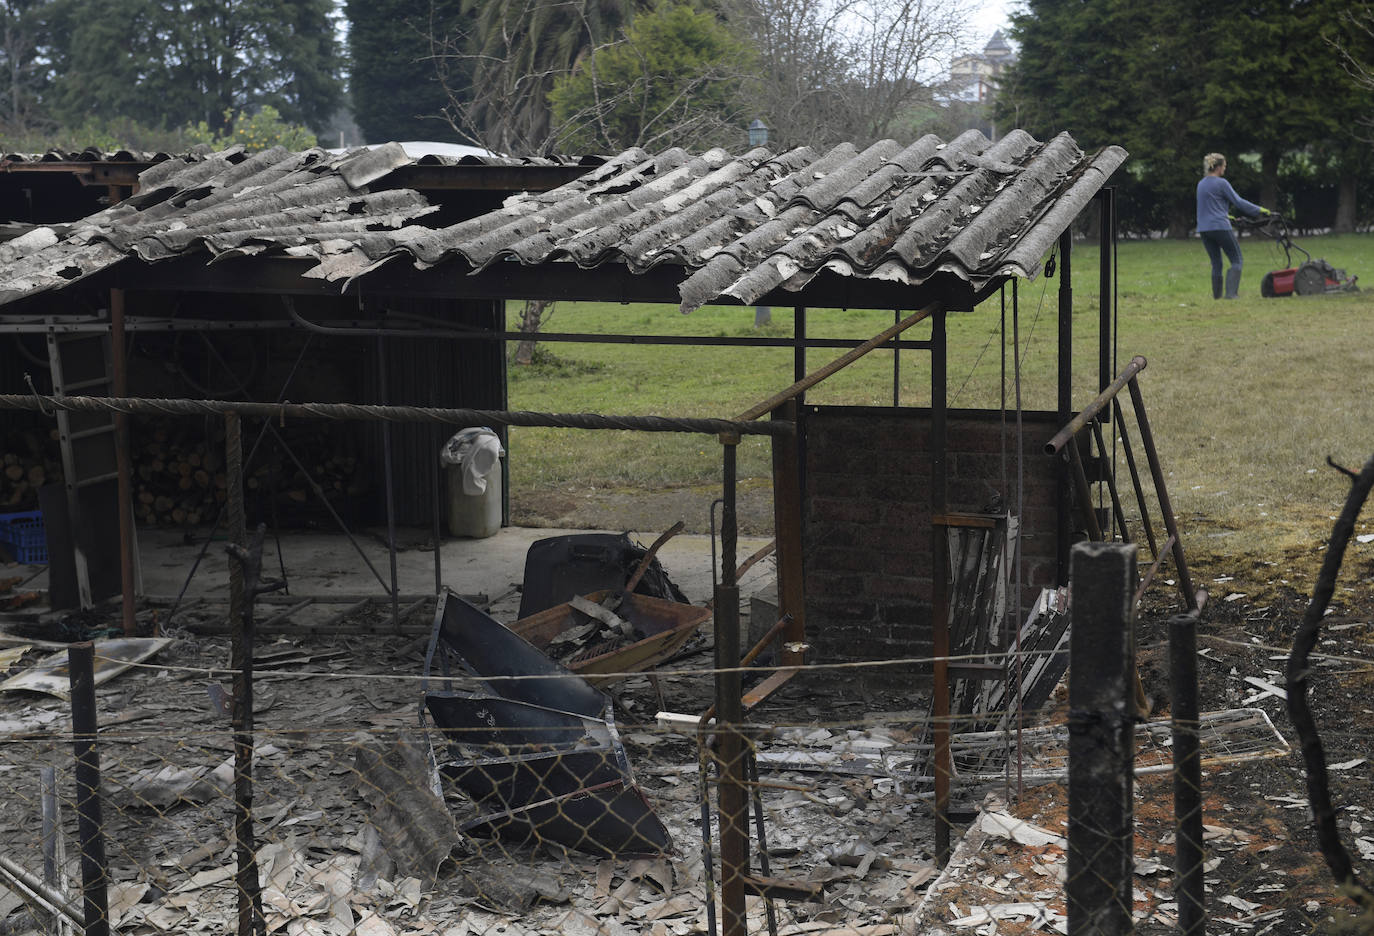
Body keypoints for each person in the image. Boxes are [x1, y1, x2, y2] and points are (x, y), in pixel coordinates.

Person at [1196, 153, 1269, 299]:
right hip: (1221, 227)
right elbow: (1239, 202)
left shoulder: (1201, 183)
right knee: (1237, 260)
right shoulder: (1222, 183)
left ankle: (1217, 297)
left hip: (1204, 229)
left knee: (1216, 263)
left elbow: (1207, 206)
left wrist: (1227, 215)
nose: (1224, 169)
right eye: (1224, 166)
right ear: (1218, 167)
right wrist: (1260, 210)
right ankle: (1231, 295)